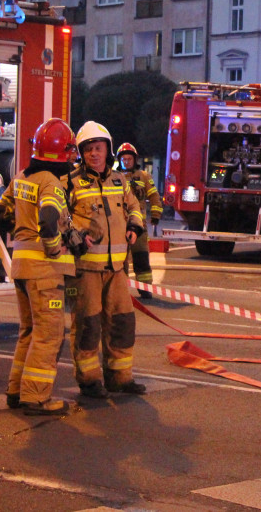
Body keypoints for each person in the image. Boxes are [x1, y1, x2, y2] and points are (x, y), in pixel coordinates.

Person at [0, 118, 77, 416]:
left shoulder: (21, 177)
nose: (73, 155)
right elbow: (47, 219)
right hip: (44, 272)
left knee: (29, 331)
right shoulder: (50, 182)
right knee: (49, 335)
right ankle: (36, 397)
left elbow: (1, 213)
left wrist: (21, 230)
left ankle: (16, 391)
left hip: (20, 268)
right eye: (69, 149)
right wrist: (55, 246)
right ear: (60, 152)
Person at [63, 122, 147, 398]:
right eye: (88, 150)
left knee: (122, 323)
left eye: (98, 149)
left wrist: (134, 227)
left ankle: (120, 378)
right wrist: (73, 235)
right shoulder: (70, 183)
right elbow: (60, 217)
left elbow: (134, 207)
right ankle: (89, 381)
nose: (94, 154)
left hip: (117, 268)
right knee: (88, 325)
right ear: (81, 153)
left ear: (108, 150)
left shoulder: (119, 181)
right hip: (86, 269)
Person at [115, 142, 163, 299]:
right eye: (124, 159)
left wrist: (155, 215)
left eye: (129, 159)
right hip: (119, 226)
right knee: (119, 260)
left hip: (139, 226)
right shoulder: (113, 177)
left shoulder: (143, 176)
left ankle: (145, 289)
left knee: (141, 258)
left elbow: (154, 196)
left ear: (134, 160)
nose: (126, 162)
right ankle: (119, 289)